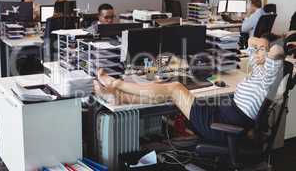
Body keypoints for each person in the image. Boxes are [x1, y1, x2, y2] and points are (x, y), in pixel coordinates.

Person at [94, 33, 285, 143]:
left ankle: (116, 83)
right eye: (258, 52)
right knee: (169, 93)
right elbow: (251, 41)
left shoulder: (269, 75)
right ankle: (120, 98)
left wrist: (267, 50)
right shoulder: (258, 69)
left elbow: (277, 52)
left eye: (262, 52)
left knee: (175, 88)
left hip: (222, 126)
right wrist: (260, 46)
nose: (257, 54)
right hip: (221, 114)